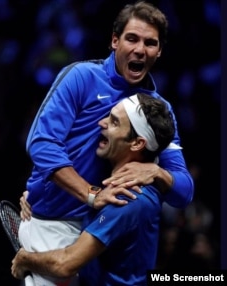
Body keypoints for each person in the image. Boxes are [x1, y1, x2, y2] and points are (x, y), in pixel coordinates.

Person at [18, 1, 194, 285]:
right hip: (56, 222)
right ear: (115, 40)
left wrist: (157, 172)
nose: (140, 49)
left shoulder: (159, 110)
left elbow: (183, 191)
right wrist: (88, 193)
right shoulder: (80, 77)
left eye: (150, 43)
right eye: (132, 38)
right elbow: (41, 143)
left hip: (102, 231)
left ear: (159, 51)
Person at [12, 93, 176, 285]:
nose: (101, 123)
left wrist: (25, 259)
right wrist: (36, 196)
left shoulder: (127, 198)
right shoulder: (116, 184)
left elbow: (66, 264)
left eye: (114, 122)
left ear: (137, 143)